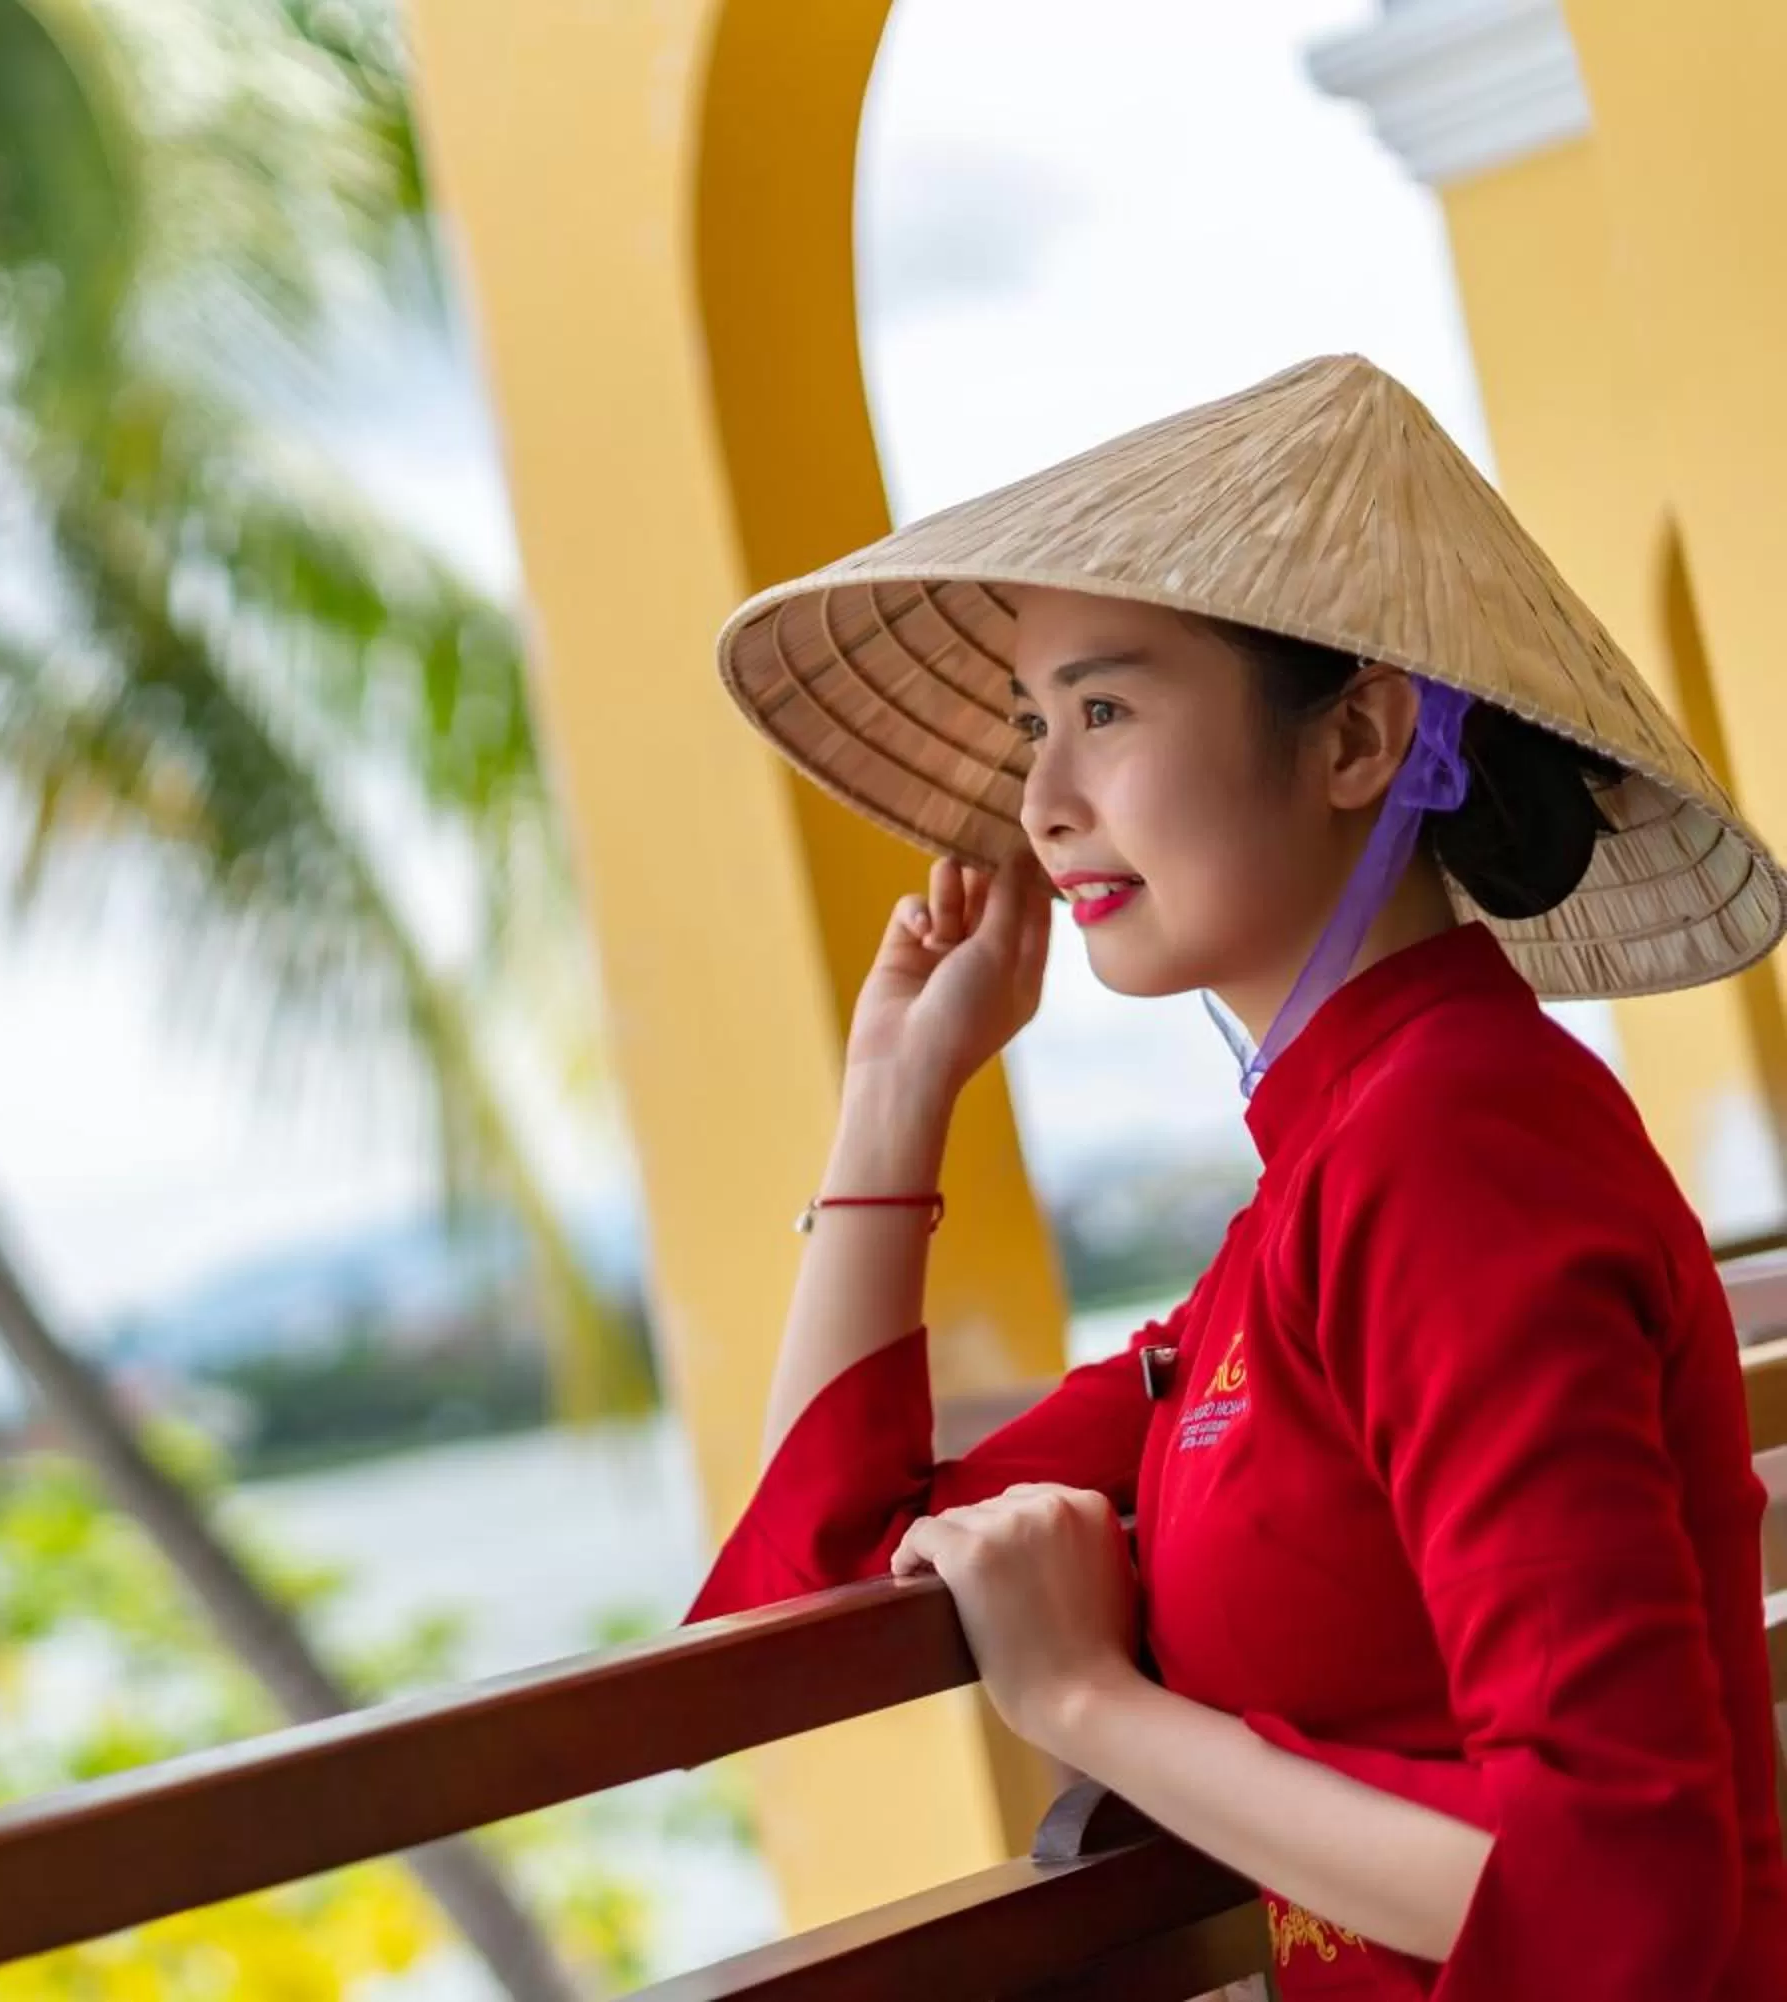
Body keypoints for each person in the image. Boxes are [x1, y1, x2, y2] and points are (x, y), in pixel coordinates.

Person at [680, 354, 1787, 1999]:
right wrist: (897, 1096)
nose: (1046, 803)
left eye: (1108, 710)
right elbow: (815, 1577)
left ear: (1357, 736)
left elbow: (1624, 1900)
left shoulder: (1454, 1156)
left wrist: (1091, 1707)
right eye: (1033, 725)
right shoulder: (1321, 1190)